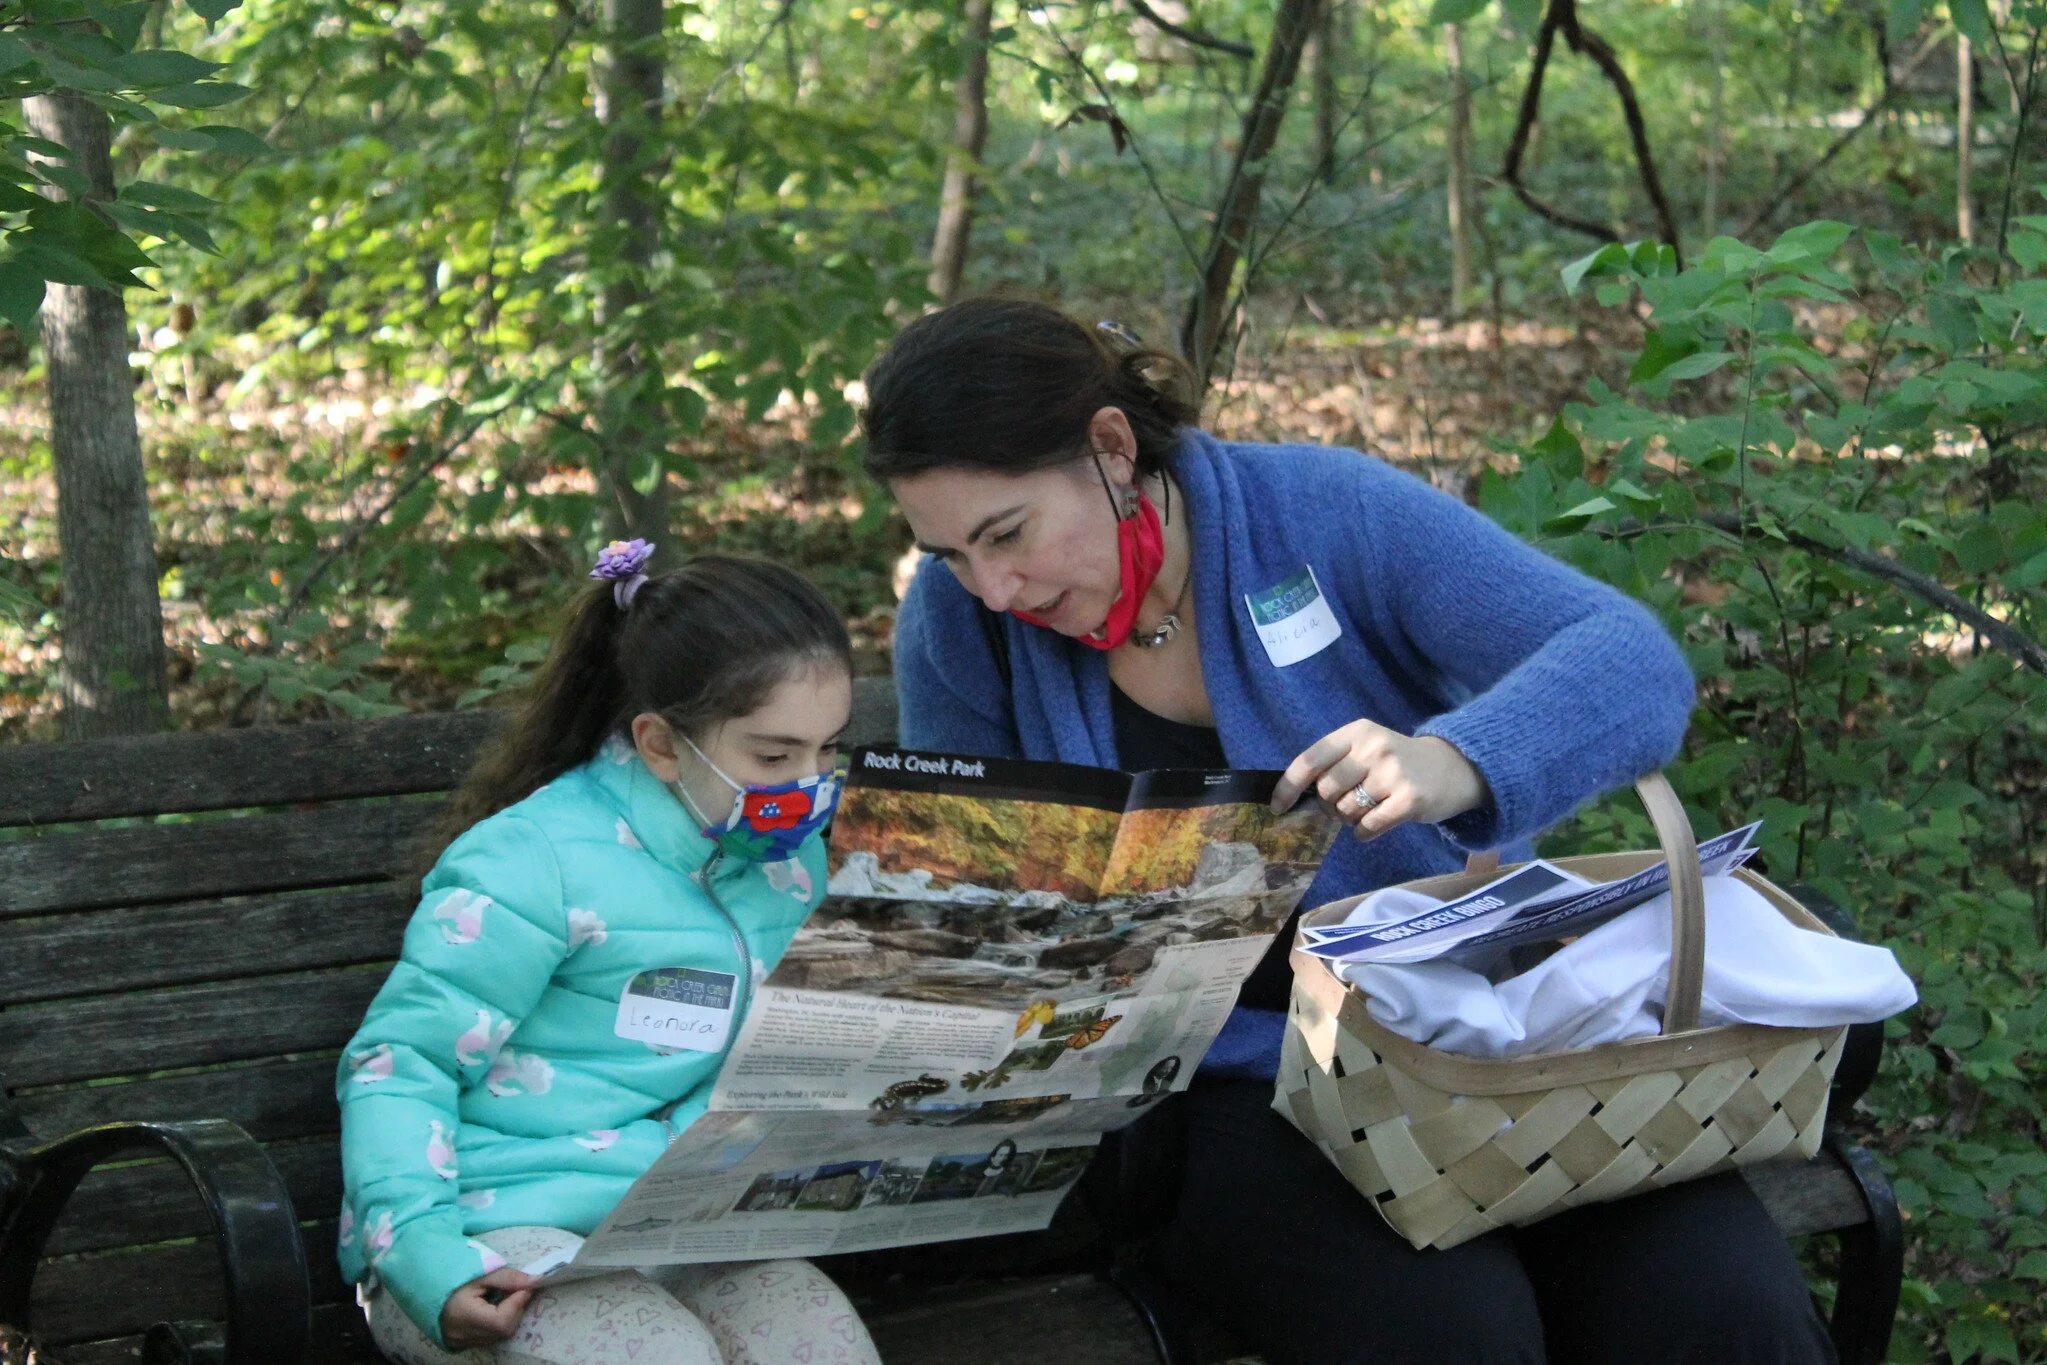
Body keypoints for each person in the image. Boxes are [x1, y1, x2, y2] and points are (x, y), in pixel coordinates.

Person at [858, 298, 1835, 1365]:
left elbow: (1628, 662)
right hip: (1219, 1091)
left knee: (1724, 1312)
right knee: (1451, 1336)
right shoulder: (961, 629)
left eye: (1007, 534)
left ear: (1110, 447)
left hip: (1462, 1039)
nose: (995, 589)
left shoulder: (1323, 515)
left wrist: (1456, 760)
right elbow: (966, 920)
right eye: (950, 554)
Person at [337, 544, 883, 1365]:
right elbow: (396, 1062)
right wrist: (421, 1256)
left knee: (822, 1341)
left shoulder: (784, 859)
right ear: (660, 743)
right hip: (485, 1230)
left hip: (679, 1218)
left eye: (828, 751)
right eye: (773, 757)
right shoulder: (534, 859)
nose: (808, 785)